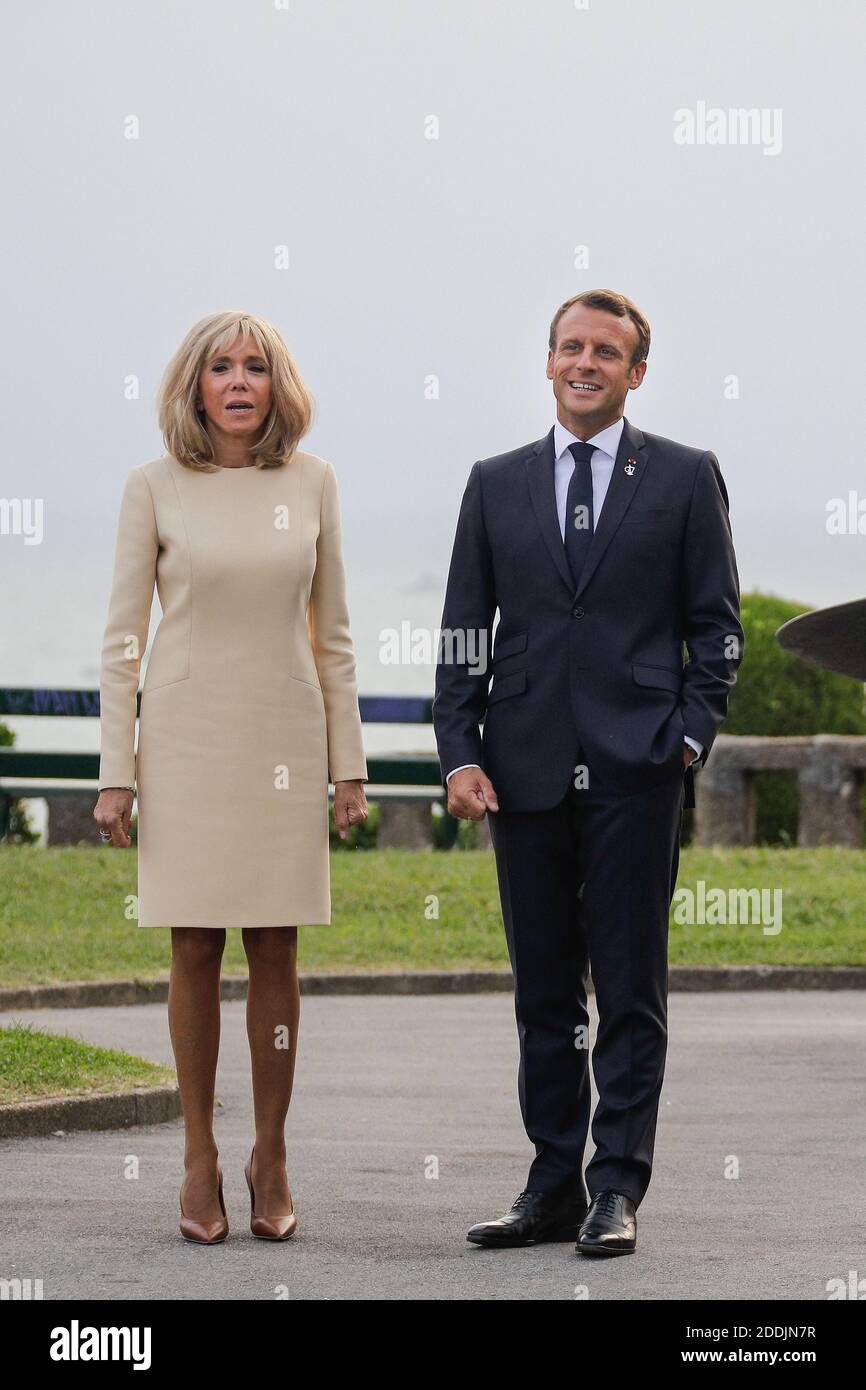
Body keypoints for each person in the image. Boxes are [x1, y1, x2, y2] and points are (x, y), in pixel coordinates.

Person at [433, 289, 743, 1256]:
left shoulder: (688, 477)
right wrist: (460, 752)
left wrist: (688, 739)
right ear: (550, 361)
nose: (585, 362)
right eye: (571, 346)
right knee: (543, 994)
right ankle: (551, 1184)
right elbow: (459, 631)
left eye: (606, 351)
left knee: (630, 988)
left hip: (637, 771)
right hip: (521, 769)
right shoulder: (495, 482)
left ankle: (617, 1188)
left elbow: (717, 629)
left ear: (635, 372)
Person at [93, 310, 368, 1244]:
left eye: (257, 367)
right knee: (195, 949)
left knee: (278, 951)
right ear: (196, 385)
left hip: (283, 739)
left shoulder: (316, 482)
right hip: (185, 737)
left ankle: (272, 1151)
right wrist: (115, 771)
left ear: (277, 385)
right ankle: (199, 1154)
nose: (241, 382)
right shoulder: (154, 487)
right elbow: (123, 642)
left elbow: (332, 638)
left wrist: (349, 768)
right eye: (223, 368)